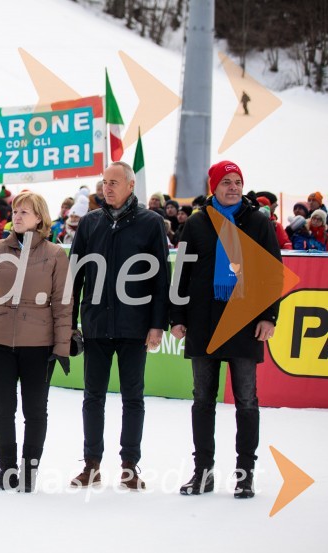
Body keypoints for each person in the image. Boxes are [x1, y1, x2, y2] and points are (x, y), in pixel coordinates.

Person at [170, 161, 282, 499]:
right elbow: (182, 273)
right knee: (202, 399)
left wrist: (269, 317)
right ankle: (202, 473)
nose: (233, 187)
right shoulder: (197, 223)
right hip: (203, 322)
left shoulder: (259, 222)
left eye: (237, 182)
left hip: (245, 323)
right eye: (226, 182)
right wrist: (177, 316)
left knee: (246, 400)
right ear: (214, 186)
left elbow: (272, 273)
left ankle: (245, 475)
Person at [69, 161, 170, 491]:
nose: (106, 187)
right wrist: (69, 323)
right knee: (92, 397)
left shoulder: (151, 223)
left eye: (113, 182)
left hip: (134, 326)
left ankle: (129, 466)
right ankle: (91, 465)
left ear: (130, 185)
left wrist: (157, 325)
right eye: (104, 182)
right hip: (96, 324)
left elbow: (161, 279)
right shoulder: (89, 223)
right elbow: (74, 277)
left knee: (133, 398)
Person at [0, 191, 72, 492]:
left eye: (24, 212)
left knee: (35, 411)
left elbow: (63, 305)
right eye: (15, 211)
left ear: (39, 218)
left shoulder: (55, 254)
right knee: (2, 409)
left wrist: (61, 346)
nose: (17, 216)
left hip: (39, 346)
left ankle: (29, 472)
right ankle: (7, 470)